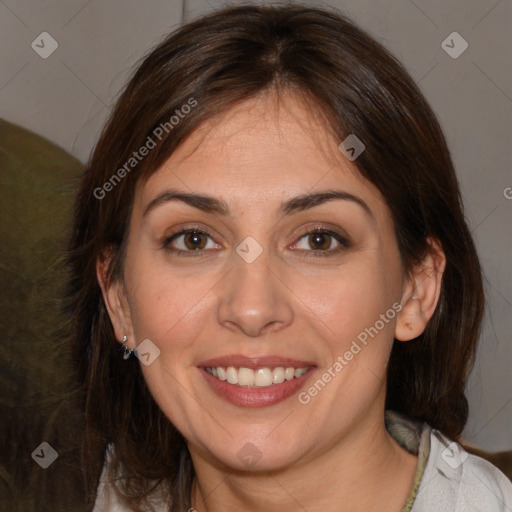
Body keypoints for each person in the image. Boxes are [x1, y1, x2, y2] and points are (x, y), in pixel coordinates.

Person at [66, 3, 512, 511]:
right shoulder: (111, 493)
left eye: (319, 240)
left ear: (415, 290)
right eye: (193, 240)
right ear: (118, 298)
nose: (252, 309)